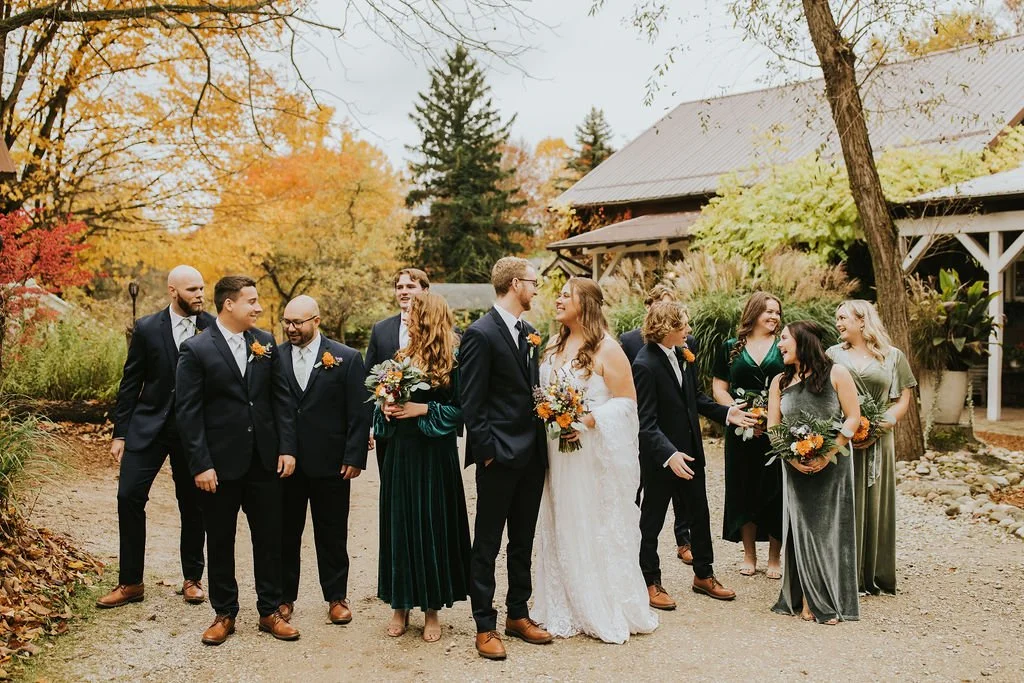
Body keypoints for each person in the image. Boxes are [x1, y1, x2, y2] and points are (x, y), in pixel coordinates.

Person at [175, 275, 299, 645]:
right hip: (218, 465)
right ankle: (224, 613)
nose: (258, 308)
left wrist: (287, 448)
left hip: (264, 461)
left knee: (270, 538)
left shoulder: (265, 342)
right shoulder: (196, 349)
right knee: (220, 539)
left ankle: (269, 610)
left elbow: (281, 399)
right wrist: (200, 463)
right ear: (229, 304)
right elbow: (188, 413)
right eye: (252, 301)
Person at [533, 277, 658, 643]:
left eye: (566, 295)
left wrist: (586, 421)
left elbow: (627, 404)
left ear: (585, 303)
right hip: (556, 451)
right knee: (559, 517)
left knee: (590, 520)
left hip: (589, 452)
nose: (558, 300)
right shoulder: (553, 344)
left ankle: (598, 602)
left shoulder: (608, 348)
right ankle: (562, 602)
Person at [98, 265, 212, 609]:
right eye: (192, 289)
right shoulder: (147, 328)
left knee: (192, 504)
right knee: (128, 496)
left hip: (192, 433)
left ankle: (192, 578)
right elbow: (131, 382)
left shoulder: (213, 328)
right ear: (172, 291)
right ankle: (131, 582)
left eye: (202, 288)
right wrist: (120, 433)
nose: (200, 295)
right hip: (149, 427)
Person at [632, 302, 755, 609]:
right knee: (651, 521)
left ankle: (704, 574)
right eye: (684, 324)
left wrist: (727, 413)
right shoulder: (644, 364)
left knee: (700, 515)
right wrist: (669, 454)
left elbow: (695, 398)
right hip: (661, 459)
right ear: (667, 328)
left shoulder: (683, 355)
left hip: (691, 453)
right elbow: (646, 423)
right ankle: (649, 581)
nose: (689, 329)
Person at [460, 256, 552, 661]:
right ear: (516, 284)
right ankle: (485, 624)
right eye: (533, 283)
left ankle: (518, 613)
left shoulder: (530, 333)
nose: (536, 290)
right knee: (487, 542)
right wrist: (488, 454)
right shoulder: (479, 333)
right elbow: (472, 401)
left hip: (532, 455)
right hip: (498, 456)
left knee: (522, 540)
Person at [374, 292, 471, 644]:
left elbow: (463, 410)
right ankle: (399, 604)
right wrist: (385, 408)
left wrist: (424, 409)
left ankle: (431, 608)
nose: (406, 318)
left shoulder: (454, 360)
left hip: (434, 457)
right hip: (401, 452)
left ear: (428, 317)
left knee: (432, 526)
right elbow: (384, 401)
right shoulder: (400, 357)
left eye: (412, 313)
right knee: (400, 524)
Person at [276, 295, 370, 626]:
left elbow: (359, 411)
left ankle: (336, 597)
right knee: (285, 533)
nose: (291, 328)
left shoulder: (347, 358)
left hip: (331, 463)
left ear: (316, 321)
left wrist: (354, 456)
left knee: (332, 533)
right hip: (285, 464)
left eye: (297, 322)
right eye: (286, 322)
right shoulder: (274, 357)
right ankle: (284, 598)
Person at [768, 321, 861, 625]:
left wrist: (829, 452)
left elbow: (853, 417)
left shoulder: (837, 373)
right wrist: (791, 458)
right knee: (803, 529)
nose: (779, 344)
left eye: (784, 338)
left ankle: (826, 596)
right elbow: (773, 428)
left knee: (829, 530)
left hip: (833, 465)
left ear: (802, 340)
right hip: (795, 466)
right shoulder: (779, 381)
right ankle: (809, 596)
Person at [827, 300, 916, 595]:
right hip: (844, 437)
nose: (838, 323)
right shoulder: (833, 355)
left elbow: (903, 399)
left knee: (877, 501)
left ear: (862, 320)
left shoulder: (893, 356)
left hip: (880, 436)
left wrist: (880, 425)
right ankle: (843, 572)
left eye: (843, 318)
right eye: (837, 318)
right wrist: (847, 428)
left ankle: (874, 573)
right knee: (843, 500)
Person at [712, 292, 784, 578]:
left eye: (777, 312)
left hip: (777, 428)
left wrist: (774, 415)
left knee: (776, 490)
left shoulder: (784, 345)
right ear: (754, 313)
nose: (774, 317)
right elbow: (719, 387)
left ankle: (775, 557)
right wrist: (736, 413)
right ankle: (749, 554)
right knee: (743, 488)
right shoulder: (731, 347)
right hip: (740, 428)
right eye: (769, 311)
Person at [620, 284, 693, 565]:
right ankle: (642, 560)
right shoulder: (631, 344)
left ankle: (684, 542)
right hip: (648, 431)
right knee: (649, 500)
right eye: (660, 304)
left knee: (685, 499)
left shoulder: (685, 345)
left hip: (678, 433)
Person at [365, 268, 430, 473]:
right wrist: (370, 425)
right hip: (389, 428)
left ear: (425, 290)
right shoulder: (380, 329)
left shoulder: (443, 332)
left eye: (410, 286)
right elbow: (369, 378)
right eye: (399, 287)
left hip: (427, 430)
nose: (404, 291)